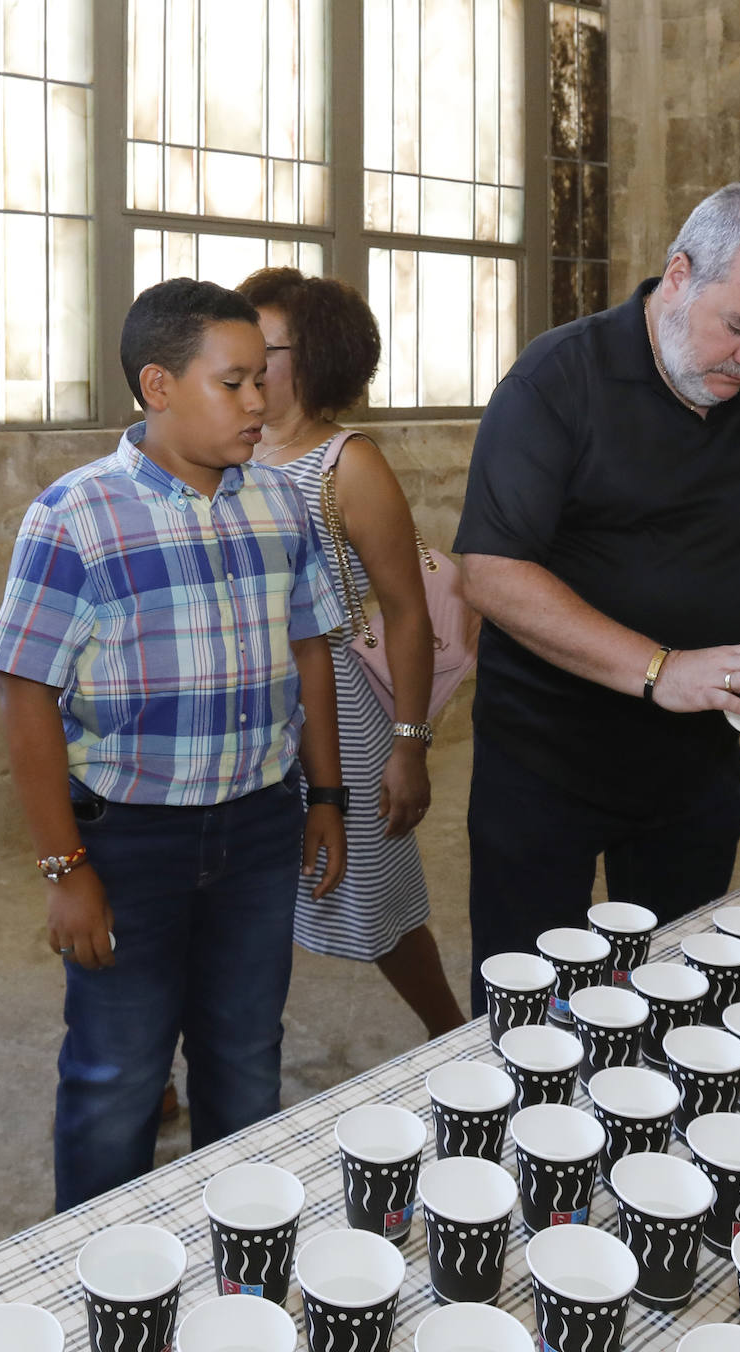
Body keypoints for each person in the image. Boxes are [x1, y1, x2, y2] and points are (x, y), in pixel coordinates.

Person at [454, 181, 740, 1012]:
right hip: (547, 755)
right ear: (678, 275)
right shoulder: (558, 379)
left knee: (681, 992)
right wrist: (659, 668)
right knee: (529, 1002)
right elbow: (491, 570)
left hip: (696, 766)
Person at [0, 278, 348, 1210]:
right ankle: (98, 1280)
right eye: (235, 384)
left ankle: (234, 1260)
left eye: (263, 380)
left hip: (259, 828)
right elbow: (25, 694)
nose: (261, 402)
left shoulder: (279, 504)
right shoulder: (76, 516)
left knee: (244, 1057)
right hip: (129, 841)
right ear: (158, 385)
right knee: (117, 1074)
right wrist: (66, 868)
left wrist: (327, 798)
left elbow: (309, 651)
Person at [236, 266, 465, 1039]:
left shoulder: (348, 465)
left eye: (264, 345)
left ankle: (450, 1032)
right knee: (218, 898)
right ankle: (162, 1057)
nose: (244, 360)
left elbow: (404, 611)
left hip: (336, 703)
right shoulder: (225, 450)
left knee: (375, 894)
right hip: (242, 709)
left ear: (315, 356)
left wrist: (411, 743)